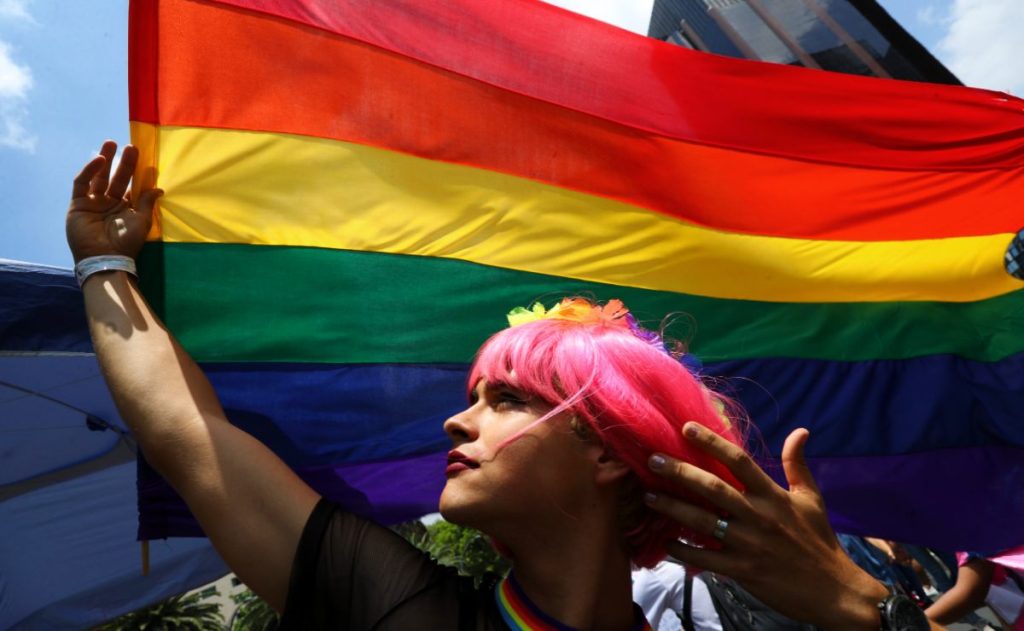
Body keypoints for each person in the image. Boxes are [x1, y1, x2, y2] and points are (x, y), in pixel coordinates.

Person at [69, 141, 941, 630]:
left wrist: (863, 612)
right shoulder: (397, 606)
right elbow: (192, 434)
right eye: (476, 392)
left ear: (606, 449)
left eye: (506, 399)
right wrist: (104, 261)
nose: (456, 419)